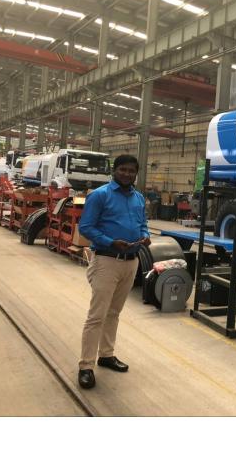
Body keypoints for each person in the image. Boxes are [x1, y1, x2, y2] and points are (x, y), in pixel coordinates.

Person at [76, 154, 151, 389]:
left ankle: (106, 355)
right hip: (107, 261)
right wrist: (110, 242)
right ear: (114, 171)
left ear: (136, 173)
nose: (127, 174)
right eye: (123, 170)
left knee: (114, 313)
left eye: (131, 171)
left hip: (131, 261)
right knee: (97, 316)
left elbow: (142, 223)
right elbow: (85, 227)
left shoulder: (138, 198)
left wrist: (145, 235)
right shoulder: (100, 195)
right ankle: (86, 366)